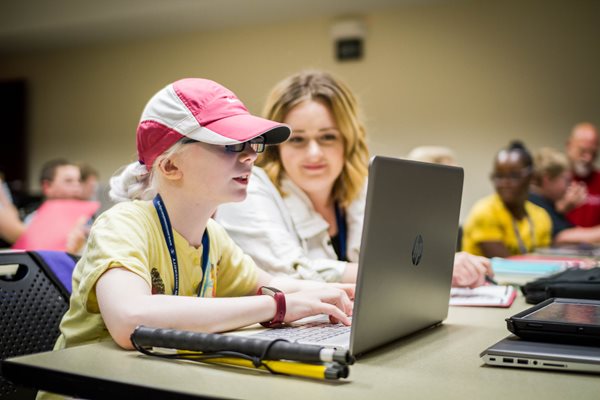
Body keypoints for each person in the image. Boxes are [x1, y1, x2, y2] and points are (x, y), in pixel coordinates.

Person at [53, 78, 354, 353]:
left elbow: (275, 284)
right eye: (231, 144)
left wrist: (347, 294)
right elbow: (130, 321)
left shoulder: (212, 236)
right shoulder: (123, 224)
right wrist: (276, 306)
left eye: (253, 144)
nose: (250, 155)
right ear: (170, 166)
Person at [217, 70, 491, 288]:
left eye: (328, 137)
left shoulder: (361, 189)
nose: (314, 153)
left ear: (348, 140)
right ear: (278, 145)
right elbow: (293, 273)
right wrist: (430, 271)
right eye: (297, 139)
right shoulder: (250, 188)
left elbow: (401, 258)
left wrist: (439, 264)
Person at [462, 141, 552, 258]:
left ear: (532, 177)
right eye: (499, 176)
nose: (505, 183)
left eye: (514, 176)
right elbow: (503, 264)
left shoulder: (541, 216)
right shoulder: (485, 211)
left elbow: (545, 259)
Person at [529, 147, 600, 244]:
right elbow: (561, 237)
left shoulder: (546, 201)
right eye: (567, 181)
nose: (569, 186)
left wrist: (562, 210)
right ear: (548, 179)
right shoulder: (534, 202)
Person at [565, 122, 600, 227]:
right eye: (582, 151)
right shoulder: (554, 180)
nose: (588, 158)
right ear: (569, 146)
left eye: (593, 152)